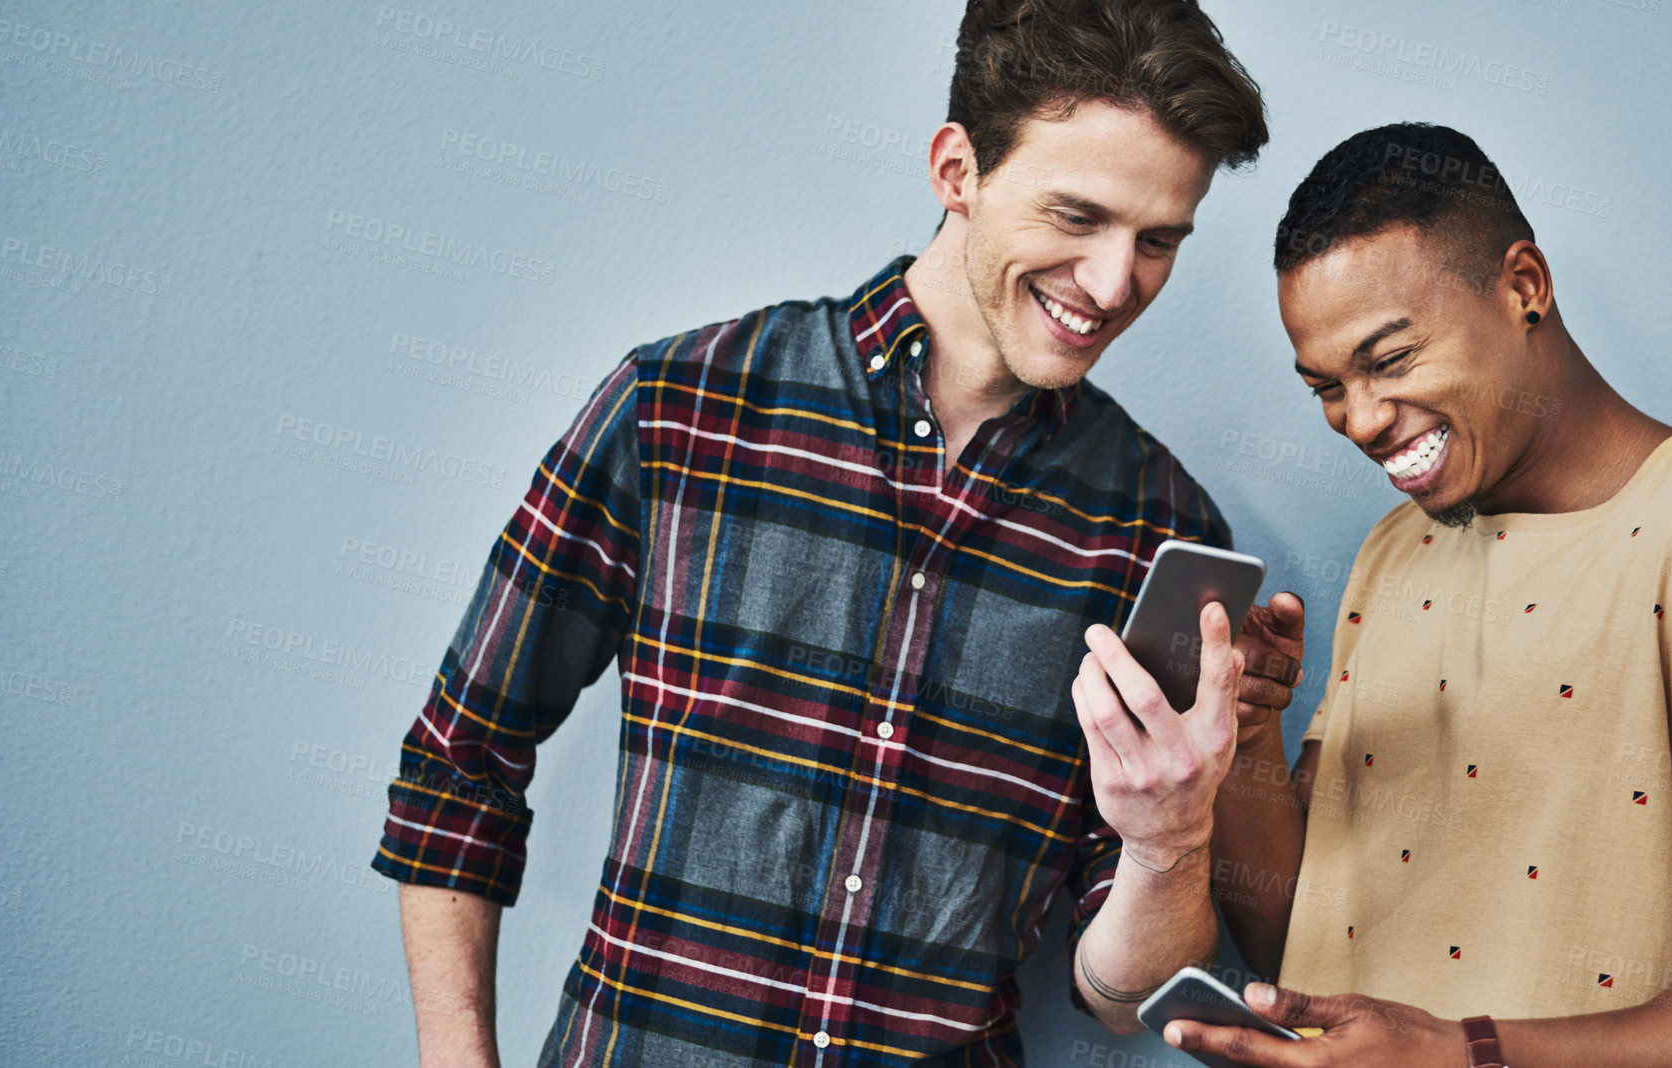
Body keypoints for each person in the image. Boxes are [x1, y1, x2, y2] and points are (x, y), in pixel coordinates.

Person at [370, 3, 1304, 1064]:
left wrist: (1169, 837)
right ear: (956, 170)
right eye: (1076, 217)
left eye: (1155, 242)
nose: (1109, 284)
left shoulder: (1160, 531)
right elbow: (459, 763)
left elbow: (1114, 994)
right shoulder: (679, 408)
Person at [1113, 122, 1672, 1066]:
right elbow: (1302, 934)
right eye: (1324, 387)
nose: (1361, 420)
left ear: (1522, 288)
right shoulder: (1395, 549)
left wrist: (1471, 1053)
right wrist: (1250, 736)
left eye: (1389, 360)